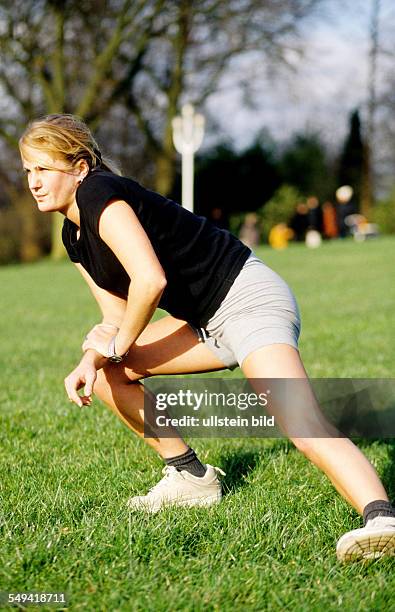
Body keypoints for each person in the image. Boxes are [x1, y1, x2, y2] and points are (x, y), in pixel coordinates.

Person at [19, 114, 395, 561]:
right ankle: (191, 478)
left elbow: (150, 281)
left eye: (44, 169)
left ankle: (381, 518)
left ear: (80, 167)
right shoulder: (73, 234)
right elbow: (115, 320)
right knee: (106, 374)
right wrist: (91, 358)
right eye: (27, 171)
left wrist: (113, 346)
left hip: (247, 300)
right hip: (202, 323)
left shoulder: (100, 192)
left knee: (300, 421)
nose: (34, 183)